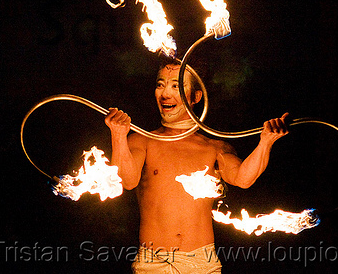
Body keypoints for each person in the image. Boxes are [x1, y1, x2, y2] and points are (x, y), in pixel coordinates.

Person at [105, 61, 289, 273]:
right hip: (153, 263)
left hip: (202, 263)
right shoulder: (142, 141)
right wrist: (118, 135)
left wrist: (266, 142)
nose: (165, 93)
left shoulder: (214, 147)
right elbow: (126, 181)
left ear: (196, 97)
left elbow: (243, 178)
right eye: (160, 84)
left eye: (176, 86)